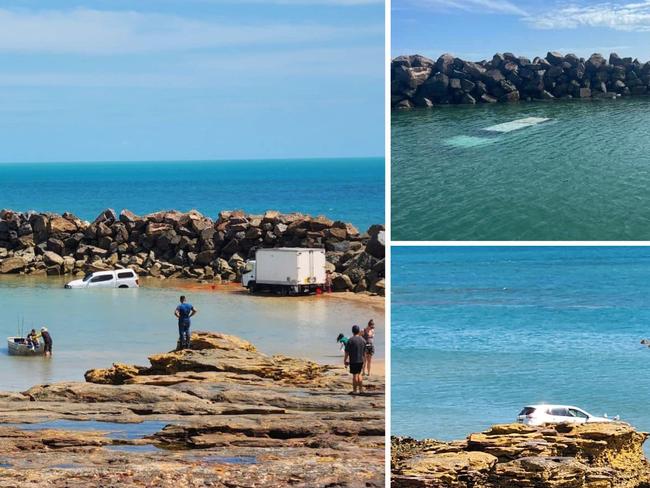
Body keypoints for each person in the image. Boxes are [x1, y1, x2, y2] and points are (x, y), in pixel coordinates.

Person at [344, 325, 366, 395]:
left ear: (352, 331)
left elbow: (346, 352)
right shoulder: (363, 340)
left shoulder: (350, 340)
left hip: (353, 360)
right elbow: (364, 352)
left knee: (354, 375)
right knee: (359, 374)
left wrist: (345, 360)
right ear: (359, 331)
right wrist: (364, 361)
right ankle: (361, 390)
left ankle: (355, 390)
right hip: (361, 360)